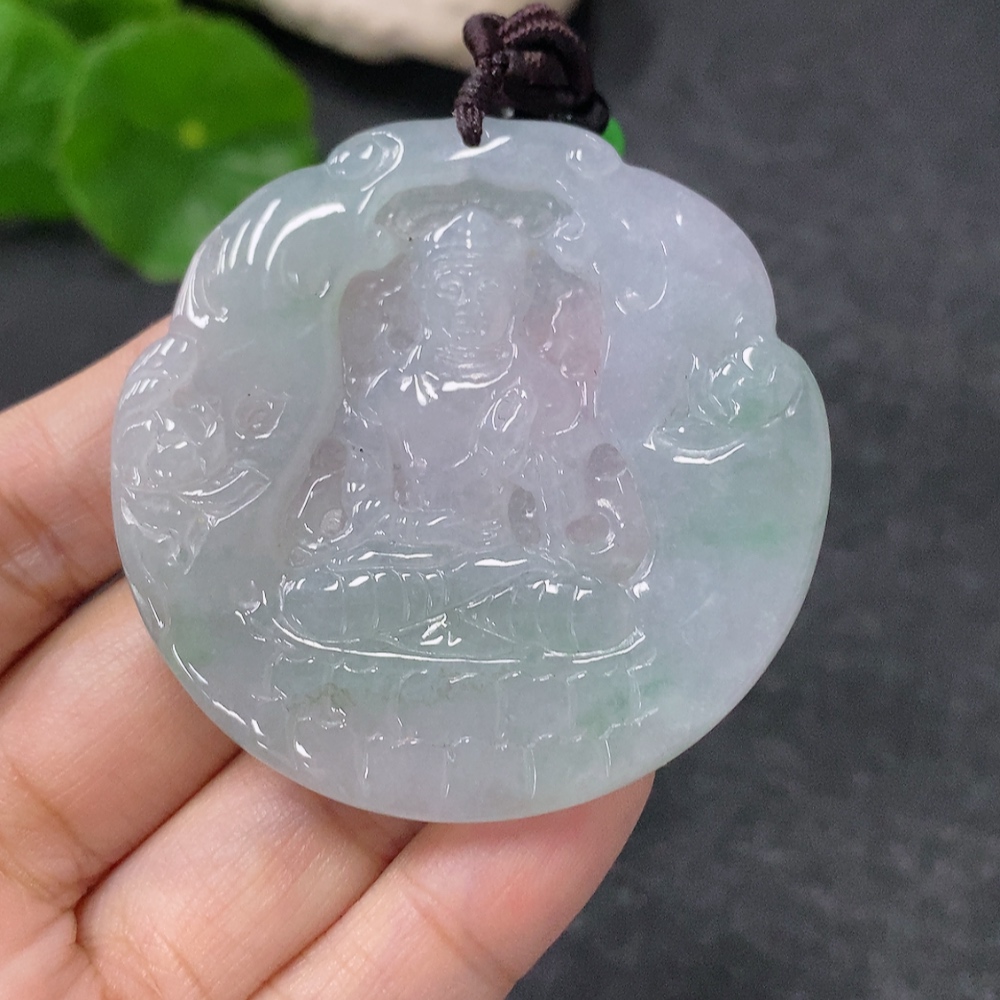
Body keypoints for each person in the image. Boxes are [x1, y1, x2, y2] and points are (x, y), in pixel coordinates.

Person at [0, 318, 652, 1000]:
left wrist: (533, 473)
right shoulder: (391, 391)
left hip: (499, 580)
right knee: (316, 599)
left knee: (584, 606)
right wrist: (366, 538)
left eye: (479, 286)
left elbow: (572, 519)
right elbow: (344, 514)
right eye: (449, 284)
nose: (463, 299)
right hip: (393, 578)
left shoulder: (533, 396)